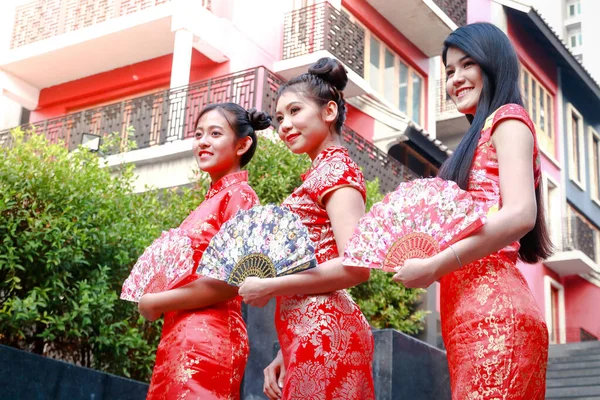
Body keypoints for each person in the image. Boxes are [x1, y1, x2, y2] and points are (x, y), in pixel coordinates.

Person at [392, 23, 552, 399]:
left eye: (467, 65)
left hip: (497, 314)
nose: (455, 78)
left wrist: (435, 265)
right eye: (449, 71)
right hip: (465, 317)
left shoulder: (507, 118)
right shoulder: (473, 141)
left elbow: (520, 214)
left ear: (493, 64)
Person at [239, 57, 375, 400]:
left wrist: (271, 285)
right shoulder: (320, 174)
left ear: (329, 112)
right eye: (280, 117)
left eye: (295, 111)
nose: (284, 125)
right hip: (308, 334)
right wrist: (284, 351)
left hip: (328, 331)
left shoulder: (337, 170)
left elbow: (356, 266)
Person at [137, 103, 270, 399]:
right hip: (179, 336)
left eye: (215, 133)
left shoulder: (240, 195)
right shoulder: (207, 204)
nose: (203, 141)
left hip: (210, 336)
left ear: (242, 144)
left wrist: (156, 301)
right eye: (199, 134)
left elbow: (234, 281)